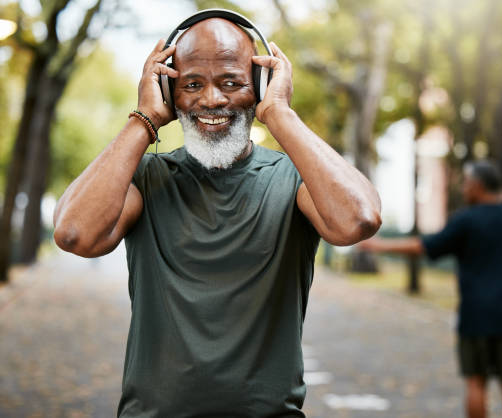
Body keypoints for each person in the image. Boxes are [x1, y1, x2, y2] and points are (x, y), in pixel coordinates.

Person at [52, 10, 381, 417]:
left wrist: (280, 113)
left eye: (232, 82)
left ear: (258, 87)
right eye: (192, 84)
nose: (212, 99)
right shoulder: (145, 176)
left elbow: (359, 219)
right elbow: (73, 235)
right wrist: (144, 119)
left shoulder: (294, 178)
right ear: (170, 92)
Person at [360, 160, 502, 418]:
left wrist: (380, 246)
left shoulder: (466, 221)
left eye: (467, 183)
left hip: (475, 316)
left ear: (478, 186)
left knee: (475, 382)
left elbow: (423, 246)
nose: (463, 188)